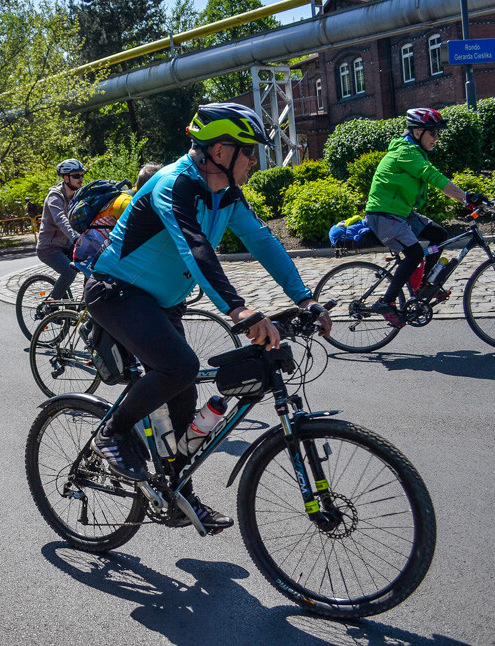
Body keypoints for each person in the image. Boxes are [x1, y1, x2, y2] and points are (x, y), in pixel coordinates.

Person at [84, 103, 332, 531]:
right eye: (249, 151)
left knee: (183, 398)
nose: (254, 161)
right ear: (220, 150)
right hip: (116, 292)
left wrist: (305, 297)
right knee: (180, 366)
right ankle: (112, 433)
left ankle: (179, 494)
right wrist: (238, 308)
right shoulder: (174, 184)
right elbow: (195, 246)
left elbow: (262, 242)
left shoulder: (225, 194)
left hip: (160, 302)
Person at [365, 107, 487, 328]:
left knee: (439, 234)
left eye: (439, 133)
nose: (437, 138)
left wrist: (474, 199)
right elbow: (432, 176)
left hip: (401, 213)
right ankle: (386, 301)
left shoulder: (413, 151)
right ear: (418, 131)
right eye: (433, 133)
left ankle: (423, 287)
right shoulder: (405, 152)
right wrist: (465, 197)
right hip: (384, 215)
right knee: (414, 254)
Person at [37, 158, 86, 300]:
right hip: (48, 248)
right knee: (69, 272)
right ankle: (51, 306)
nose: (80, 179)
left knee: (90, 263)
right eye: (76, 176)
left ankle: (86, 301)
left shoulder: (76, 196)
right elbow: (61, 220)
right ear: (66, 178)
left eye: (81, 175)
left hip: (66, 245)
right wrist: (75, 237)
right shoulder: (55, 197)